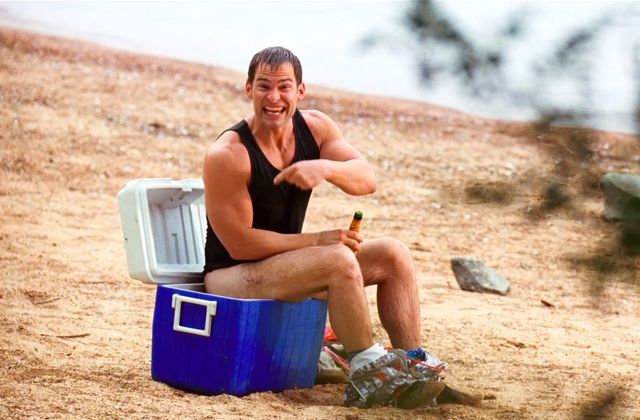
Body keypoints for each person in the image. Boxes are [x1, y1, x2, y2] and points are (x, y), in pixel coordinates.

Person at [202, 46, 447, 408]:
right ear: (248, 89)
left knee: (393, 255)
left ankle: (411, 365)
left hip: (285, 267)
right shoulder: (229, 154)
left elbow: (366, 179)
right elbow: (240, 244)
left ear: (300, 91)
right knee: (337, 259)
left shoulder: (315, 129)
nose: (274, 98)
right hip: (232, 276)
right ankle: (367, 369)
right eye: (264, 86)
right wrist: (318, 240)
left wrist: (327, 168)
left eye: (284, 87)